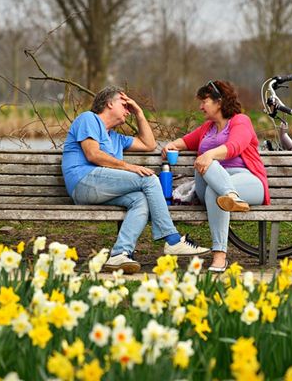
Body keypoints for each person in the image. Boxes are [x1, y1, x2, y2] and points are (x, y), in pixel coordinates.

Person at [62, 86, 210, 274]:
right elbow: (93, 154)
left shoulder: (115, 138)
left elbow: (149, 144)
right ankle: (173, 240)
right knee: (148, 179)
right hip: (83, 182)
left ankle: (119, 254)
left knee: (140, 200)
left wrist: (139, 112)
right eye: (124, 105)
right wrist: (130, 167)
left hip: (99, 189)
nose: (127, 110)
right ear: (109, 103)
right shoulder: (88, 119)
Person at [162, 80, 270, 273]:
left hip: (246, 180)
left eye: (204, 101)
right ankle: (230, 196)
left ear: (219, 102)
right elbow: (185, 141)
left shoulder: (240, 121)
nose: (200, 106)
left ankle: (219, 256)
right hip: (213, 181)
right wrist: (172, 145)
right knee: (211, 177)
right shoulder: (207, 128)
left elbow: (235, 146)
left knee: (215, 192)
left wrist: (209, 154)